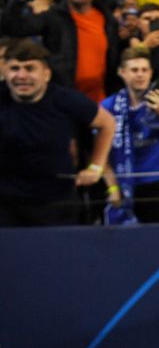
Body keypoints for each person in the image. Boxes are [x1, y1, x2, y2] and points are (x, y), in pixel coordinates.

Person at [0, 39, 115, 226]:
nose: (21, 75)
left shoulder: (66, 100)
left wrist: (96, 167)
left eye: (30, 68)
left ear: (46, 74)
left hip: (56, 203)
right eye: (14, 68)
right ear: (4, 72)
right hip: (6, 205)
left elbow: (107, 123)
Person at [3, 0, 120, 103]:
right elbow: (12, 28)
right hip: (62, 99)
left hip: (101, 99)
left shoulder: (108, 20)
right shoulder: (51, 17)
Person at [100, 47, 159, 223]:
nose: (140, 75)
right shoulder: (107, 106)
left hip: (154, 185)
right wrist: (112, 187)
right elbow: (100, 153)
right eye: (134, 70)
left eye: (145, 70)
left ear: (151, 73)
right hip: (120, 183)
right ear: (122, 72)